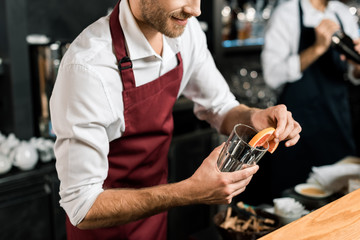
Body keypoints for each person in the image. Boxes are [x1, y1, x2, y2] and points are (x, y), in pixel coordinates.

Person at [49, 0, 301, 239]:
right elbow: (83, 206)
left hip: (155, 221)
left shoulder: (184, 32)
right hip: (103, 232)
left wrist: (254, 117)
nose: (196, 10)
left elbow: (220, 106)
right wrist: (189, 191)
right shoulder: (88, 69)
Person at [261, 0, 360, 198]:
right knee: (293, 202)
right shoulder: (286, 14)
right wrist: (317, 48)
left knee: (341, 200)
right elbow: (272, 76)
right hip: (296, 134)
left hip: (338, 128)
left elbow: (354, 75)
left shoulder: (342, 13)